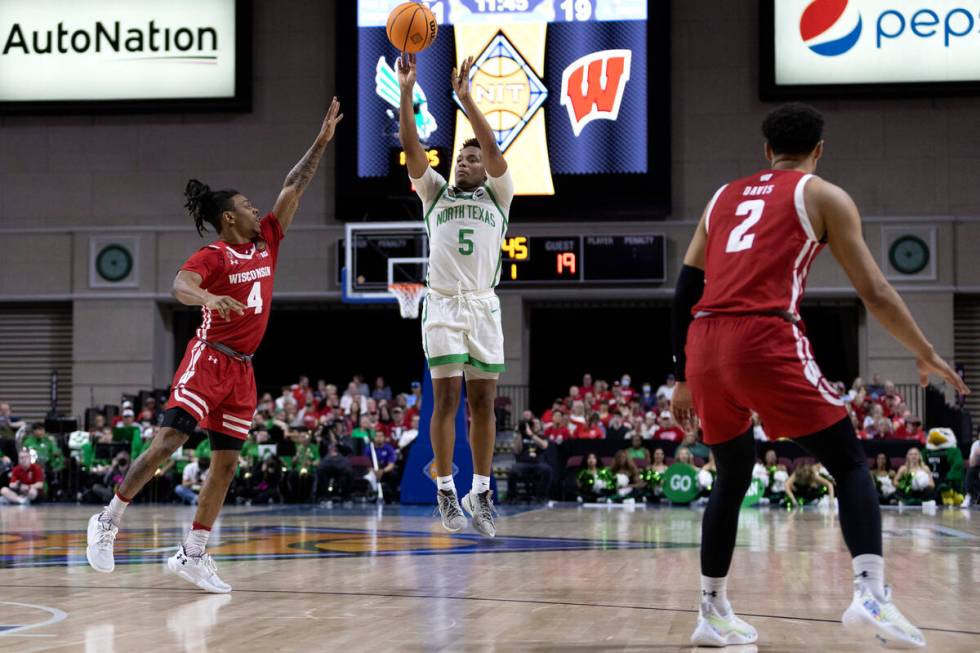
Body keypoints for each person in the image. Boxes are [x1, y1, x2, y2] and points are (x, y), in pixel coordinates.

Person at [670, 103, 968, 647]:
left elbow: (686, 288)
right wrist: (924, 352)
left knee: (732, 474)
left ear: (766, 151)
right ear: (819, 150)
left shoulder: (722, 197)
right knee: (850, 460)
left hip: (705, 343)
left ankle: (711, 611)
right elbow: (874, 292)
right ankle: (871, 594)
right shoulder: (824, 195)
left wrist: (680, 375)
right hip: (761, 334)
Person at [84, 99, 344, 593]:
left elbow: (294, 184)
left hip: (243, 372)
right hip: (208, 359)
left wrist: (321, 141)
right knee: (169, 441)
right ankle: (108, 519)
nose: (255, 209)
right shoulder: (215, 253)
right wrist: (207, 295)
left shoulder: (267, 240)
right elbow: (179, 284)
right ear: (229, 218)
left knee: (225, 464)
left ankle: (193, 554)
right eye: (247, 205)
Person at [398, 53, 513, 538]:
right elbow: (412, 147)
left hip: (483, 304)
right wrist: (407, 90)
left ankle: (480, 491)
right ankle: (446, 488)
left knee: (484, 402)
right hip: (443, 303)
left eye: (472, 159)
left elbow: (492, 147)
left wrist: (466, 99)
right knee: (445, 400)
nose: (465, 162)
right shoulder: (435, 194)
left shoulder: (499, 195)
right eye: (460, 158)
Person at [508, 419, 552, 502]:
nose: (534, 425)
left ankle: (541, 497)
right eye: (532, 424)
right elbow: (516, 450)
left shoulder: (541, 436)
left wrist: (532, 435)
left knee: (547, 470)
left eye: (536, 424)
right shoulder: (521, 435)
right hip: (522, 463)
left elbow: (544, 445)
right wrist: (519, 433)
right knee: (513, 470)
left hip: (537, 463)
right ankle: (511, 497)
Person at [962, 429, 980, 508]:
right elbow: (972, 464)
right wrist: (976, 453)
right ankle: (968, 496)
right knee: (970, 471)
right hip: (977, 468)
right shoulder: (976, 445)